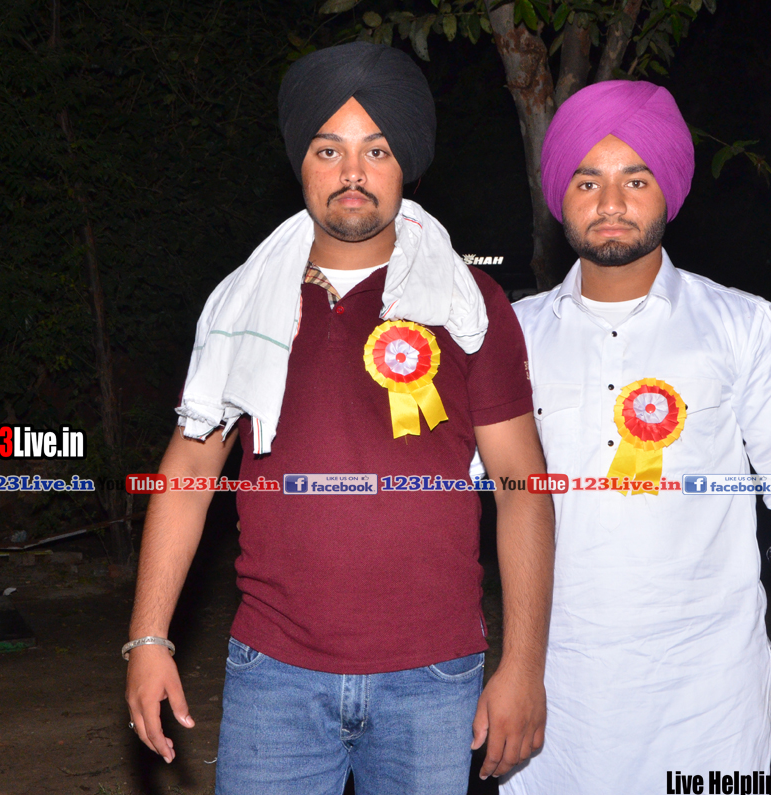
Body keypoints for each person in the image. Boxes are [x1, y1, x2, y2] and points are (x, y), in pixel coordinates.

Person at [123, 42, 554, 795]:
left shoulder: (468, 304)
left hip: (434, 676)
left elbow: (522, 485)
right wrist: (148, 637)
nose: (353, 172)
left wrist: (523, 666)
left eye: (376, 150)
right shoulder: (244, 305)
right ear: (302, 162)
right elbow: (189, 469)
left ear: (405, 164)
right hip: (274, 673)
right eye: (330, 150)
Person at [503, 80, 771, 793]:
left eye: (635, 180)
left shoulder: (742, 325)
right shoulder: (513, 335)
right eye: (588, 181)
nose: (611, 203)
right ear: (560, 196)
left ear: (667, 190)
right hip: (557, 687)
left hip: (707, 691)